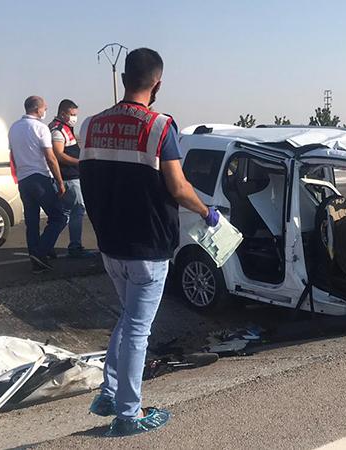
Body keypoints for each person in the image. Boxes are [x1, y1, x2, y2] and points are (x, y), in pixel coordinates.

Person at [80, 48, 220, 437]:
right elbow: (177, 186)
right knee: (139, 330)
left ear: (125, 78)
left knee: (127, 320)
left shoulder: (90, 125)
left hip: (110, 246)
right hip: (148, 248)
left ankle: (108, 393)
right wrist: (207, 212)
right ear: (157, 83)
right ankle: (128, 414)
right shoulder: (160, 127)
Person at [8, 96, 67, 273]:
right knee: (59, 217)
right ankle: (40, 252)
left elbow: (13, 155)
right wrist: (60, 181)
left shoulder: (14, 127)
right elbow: (50, 157)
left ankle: (37, 259)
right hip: (40, 178)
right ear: (37, 109)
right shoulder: (40, 128)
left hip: (24, 179)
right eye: (44, 108)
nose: (45, 111)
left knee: (32, 222)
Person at [48, 99, 92, 258]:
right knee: (77, 210)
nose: (74, 117)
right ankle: (75, 247)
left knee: (64, 214)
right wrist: (80, 162)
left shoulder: (65, 128)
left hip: (69, 176)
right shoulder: (58, 130)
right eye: (72, 114)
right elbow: (58, 155)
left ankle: (46, 245)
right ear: (63, 113)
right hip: (69, 176)